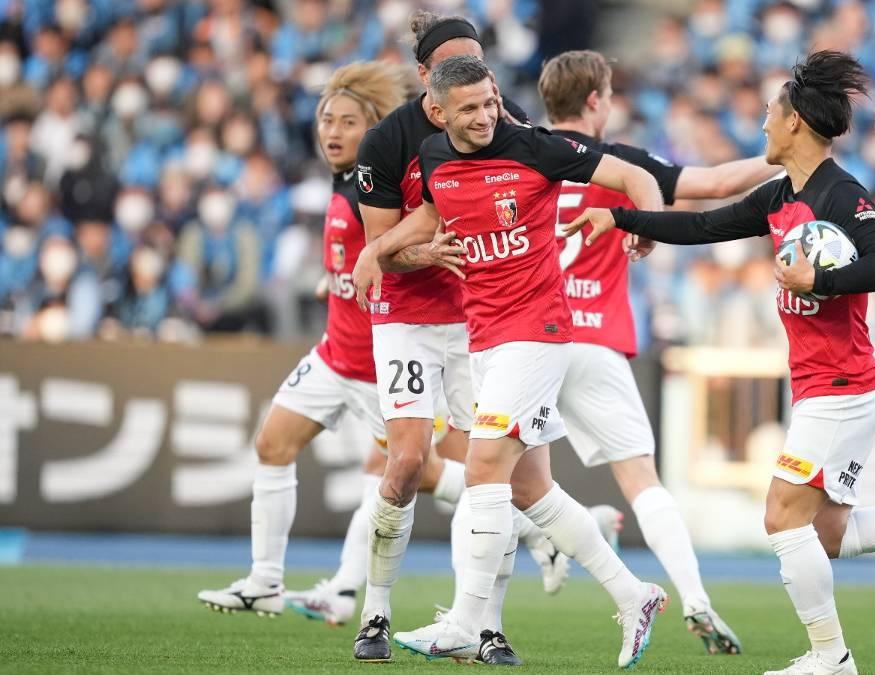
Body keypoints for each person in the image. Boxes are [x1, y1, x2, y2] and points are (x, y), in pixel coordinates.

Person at [565, 51, 875, 675]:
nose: (762, 126)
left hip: (845, 385)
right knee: (826, 533)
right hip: (821, 386)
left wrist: (819, 280)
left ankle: (831, 657)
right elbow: (703, 226)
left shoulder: (841, 194)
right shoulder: (781, 194)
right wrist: (618, 215)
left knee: (781, 516)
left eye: (769, 115)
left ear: (795, 123)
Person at [353, 54, 668, 669]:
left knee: (482, 467)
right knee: (530, 489)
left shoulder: (535, 147)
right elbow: (432, 213)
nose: (485, 117)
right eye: (469, 109)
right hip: (485, 338)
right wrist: (378, 250)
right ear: (438, 112)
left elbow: (633, 174)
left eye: (490, 103)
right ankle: (635, 595)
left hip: (539, 332)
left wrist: (644, 222)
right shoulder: (435, 158)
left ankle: (467, 623)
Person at [196, 60, 464, 627]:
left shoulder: (385, 180)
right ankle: (266, 583)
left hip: (382, 367)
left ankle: (541, 522)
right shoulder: (341, 180)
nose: (333, 132)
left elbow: (401, 250)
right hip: (334, 355)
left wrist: (389, 259)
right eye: (326, 120)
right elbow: (357, 255)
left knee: (420, 475)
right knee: (272, 445)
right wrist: (335, 278)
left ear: (374, 128)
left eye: (347, 122)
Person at [538, 48, 787, 655]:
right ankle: (695, 598)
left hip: (531, 338)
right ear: (595, 100)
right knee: (642, 481)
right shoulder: (621, 162)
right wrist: (784, 156)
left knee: (496, 478)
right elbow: (717, 183)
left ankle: (496, 603)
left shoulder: (522, 153)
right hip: (596, 340)